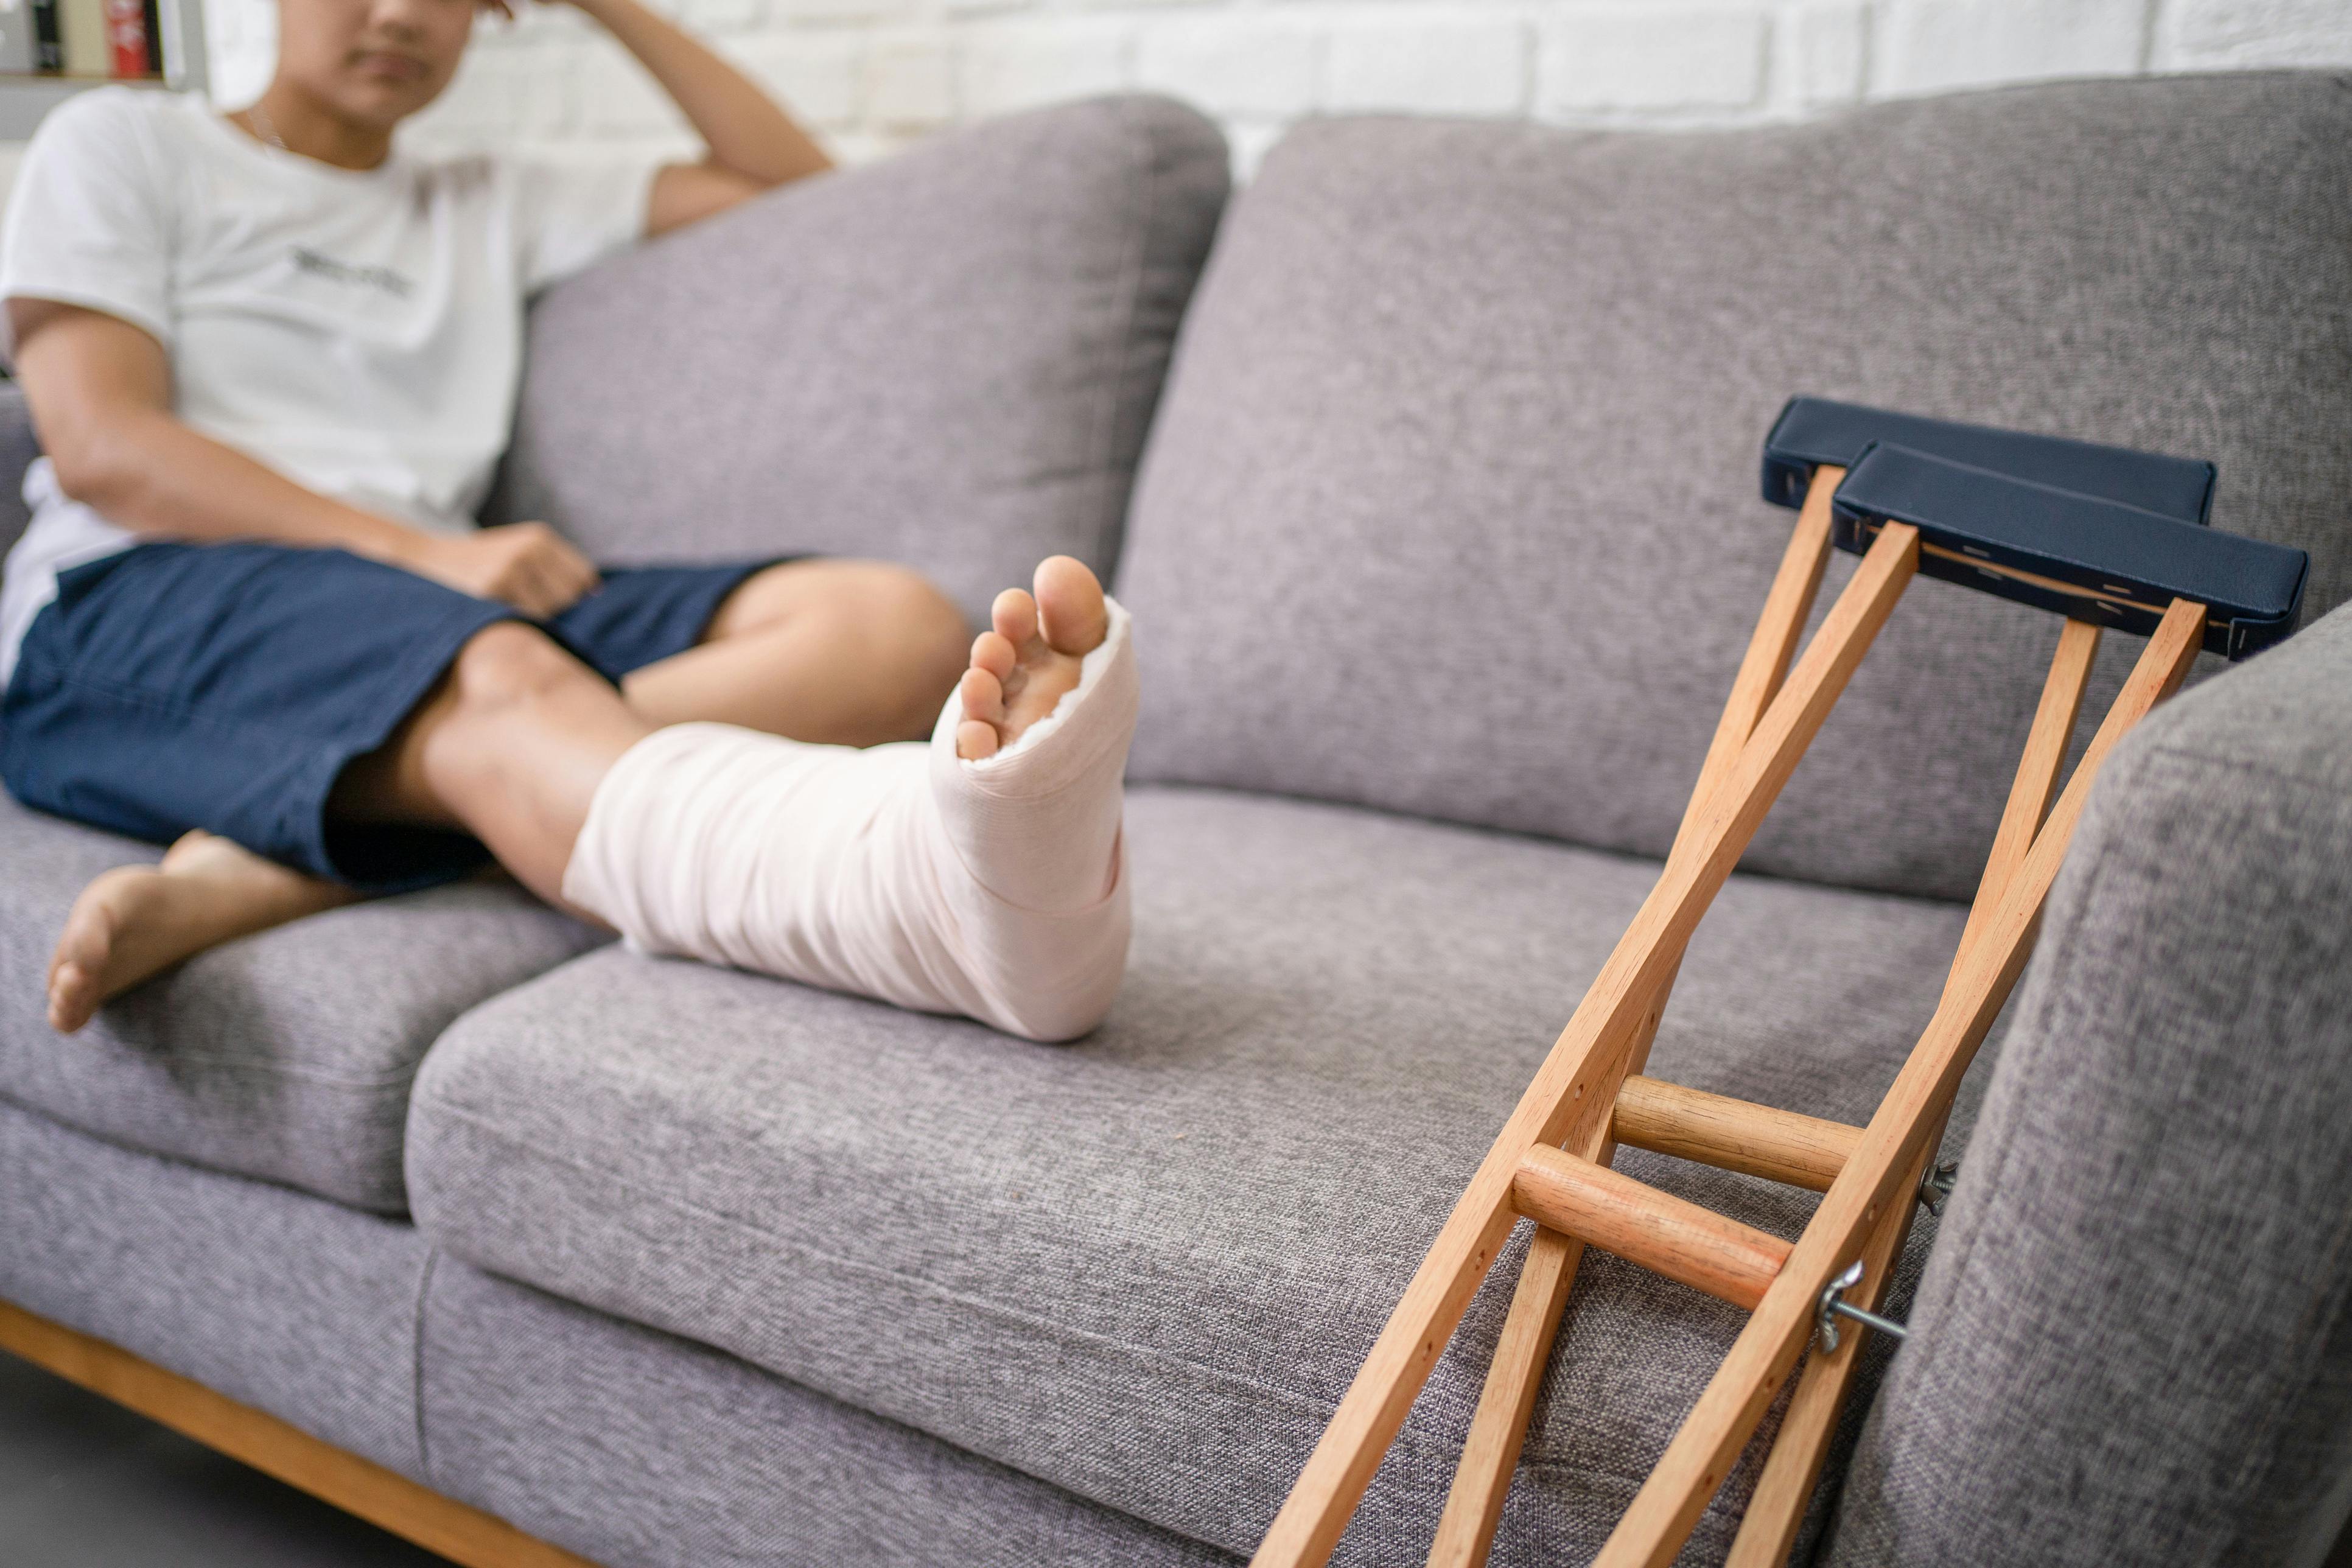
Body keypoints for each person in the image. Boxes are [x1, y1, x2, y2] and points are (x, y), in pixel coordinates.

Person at [2, 0, 1139, 1042]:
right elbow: (104, 444)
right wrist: (422, 551)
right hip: (137, 600)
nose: (403, 15)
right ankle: (958, 932)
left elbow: (820, 204)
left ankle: (304, 853)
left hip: (425, 606)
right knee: (498, 670)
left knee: (885, 625)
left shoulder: (490, 197)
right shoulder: (125, 141)